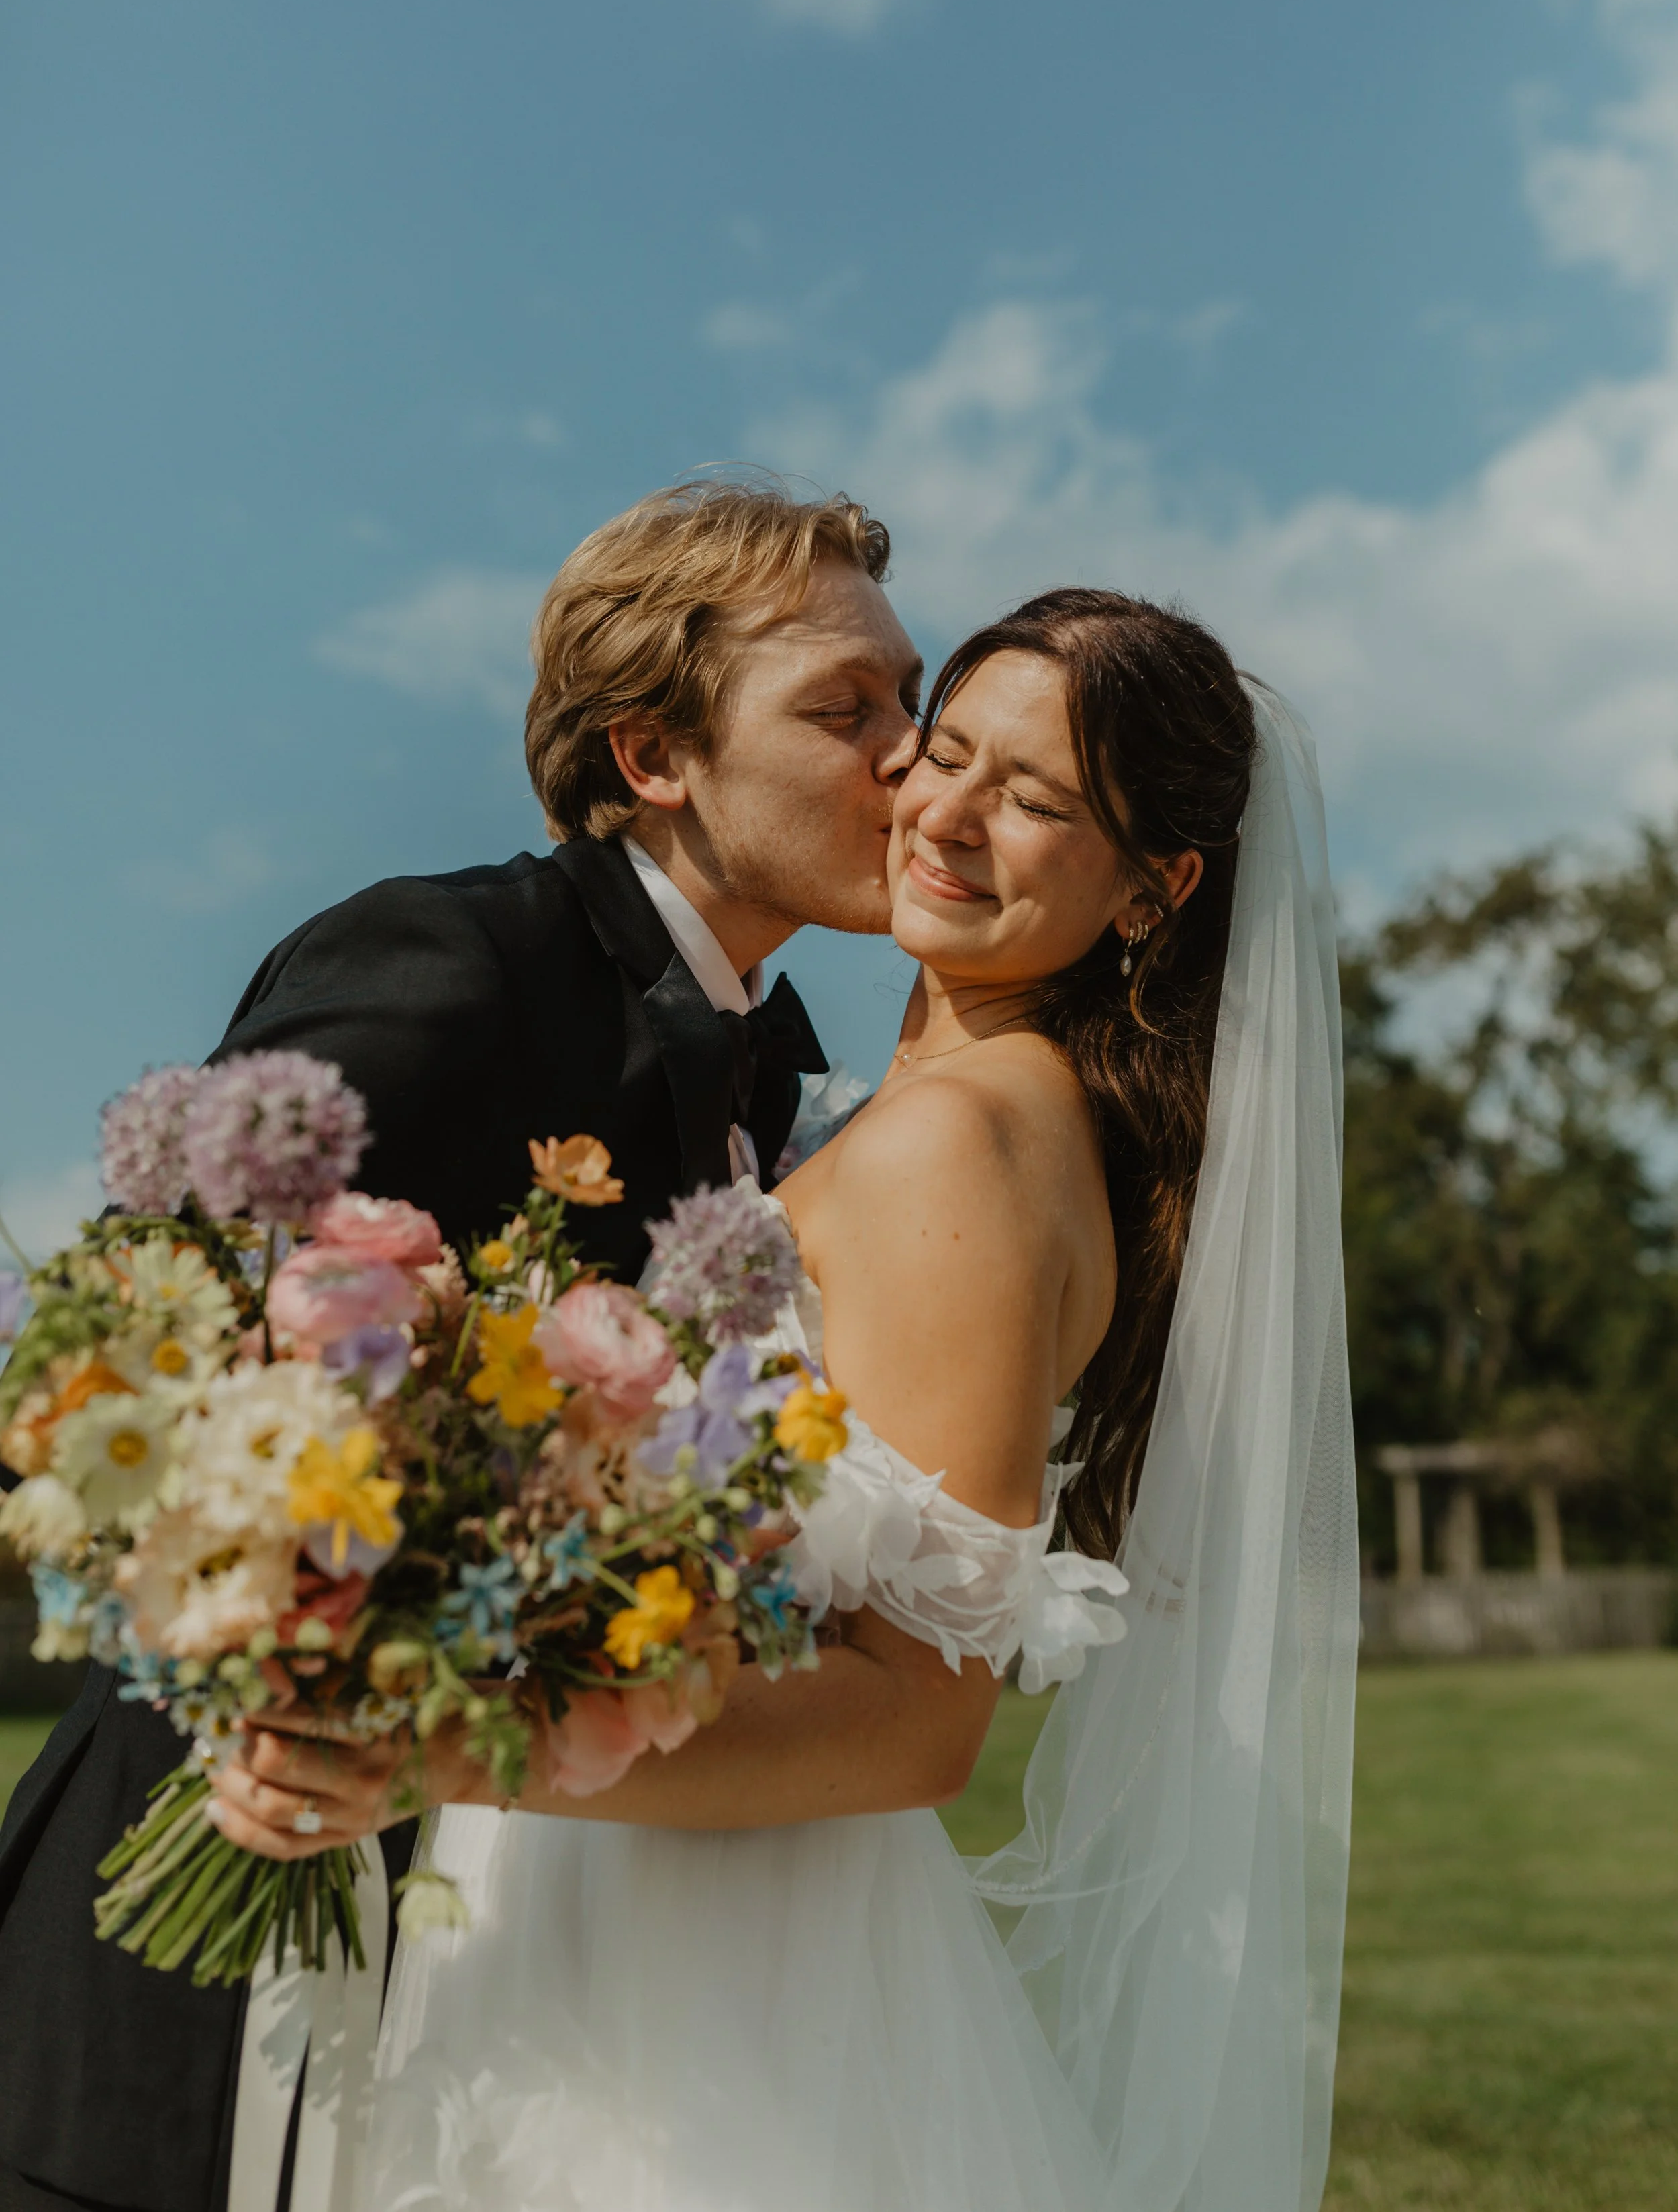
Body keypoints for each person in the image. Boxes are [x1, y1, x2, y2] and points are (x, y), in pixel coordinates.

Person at [212, 587, 1361, 2212]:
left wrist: (441, 1752)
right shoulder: (911, 1114)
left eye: (1034, 801)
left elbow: (914, 1720)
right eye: (942, 751)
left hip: (712, 1985)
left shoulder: (960, 1150)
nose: (945, 814)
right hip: (622, 1893)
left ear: (1154, 892)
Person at [0, 480, 923, 2212]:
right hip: (196, 1946)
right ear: (654, 753)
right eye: (844, 706)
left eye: (910, 696)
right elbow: (138, 1340)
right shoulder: (454, 959)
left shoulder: (767, 1090)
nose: (910, 752)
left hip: (482, 1937)